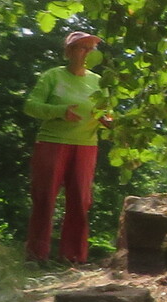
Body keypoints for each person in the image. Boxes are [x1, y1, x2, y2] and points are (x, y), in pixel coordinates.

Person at [23, 29, 107, 264]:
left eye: (91, 48)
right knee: (44, 199)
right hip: (52, 143)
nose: (87, 52)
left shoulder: (98, 81)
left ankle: (73, 258)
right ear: (69, 51)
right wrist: (60, 112)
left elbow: (105, 111)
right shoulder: (53, 76)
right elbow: (30, 106)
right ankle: (36, 256)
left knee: (81, 201)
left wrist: (107, 120)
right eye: (82, 47)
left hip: (86, 145)